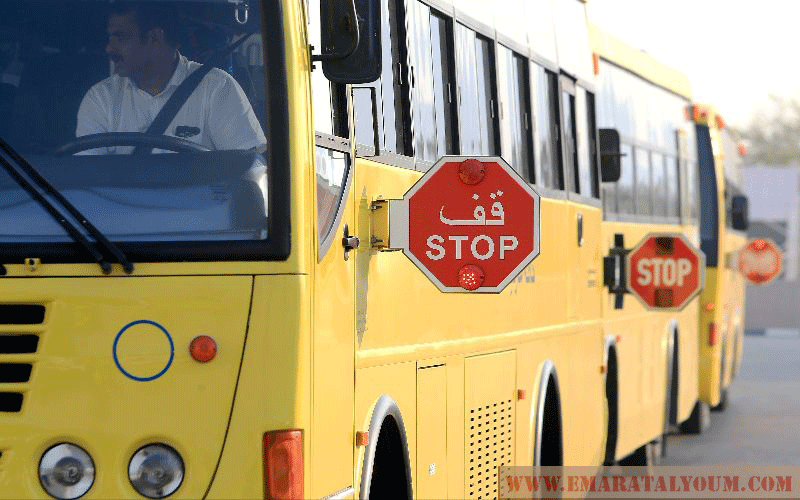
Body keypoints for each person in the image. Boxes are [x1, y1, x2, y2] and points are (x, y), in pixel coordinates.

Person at [76, 1, 266, 154]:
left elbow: (247, 170)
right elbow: (87, 178)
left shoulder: (217, 89)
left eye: (121, 37)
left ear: (155, 37)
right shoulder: (100, 99)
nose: (109, 48)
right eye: (110, 38)